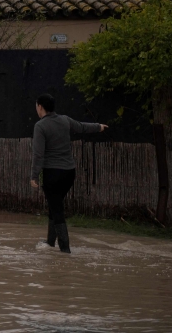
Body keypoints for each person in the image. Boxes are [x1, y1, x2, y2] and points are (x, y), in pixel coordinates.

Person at [30, 93, 108, 253]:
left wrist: (34, 175)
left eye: (36, 106)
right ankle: (50, 243)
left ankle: (65, 250)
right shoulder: (65, 120)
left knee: (57, 209)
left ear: (40, 107)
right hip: (68, 174)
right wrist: (99, 126)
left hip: (51, 174)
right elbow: (82, 126)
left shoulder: (40, 126)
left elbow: (38, 154)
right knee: (54, 204)